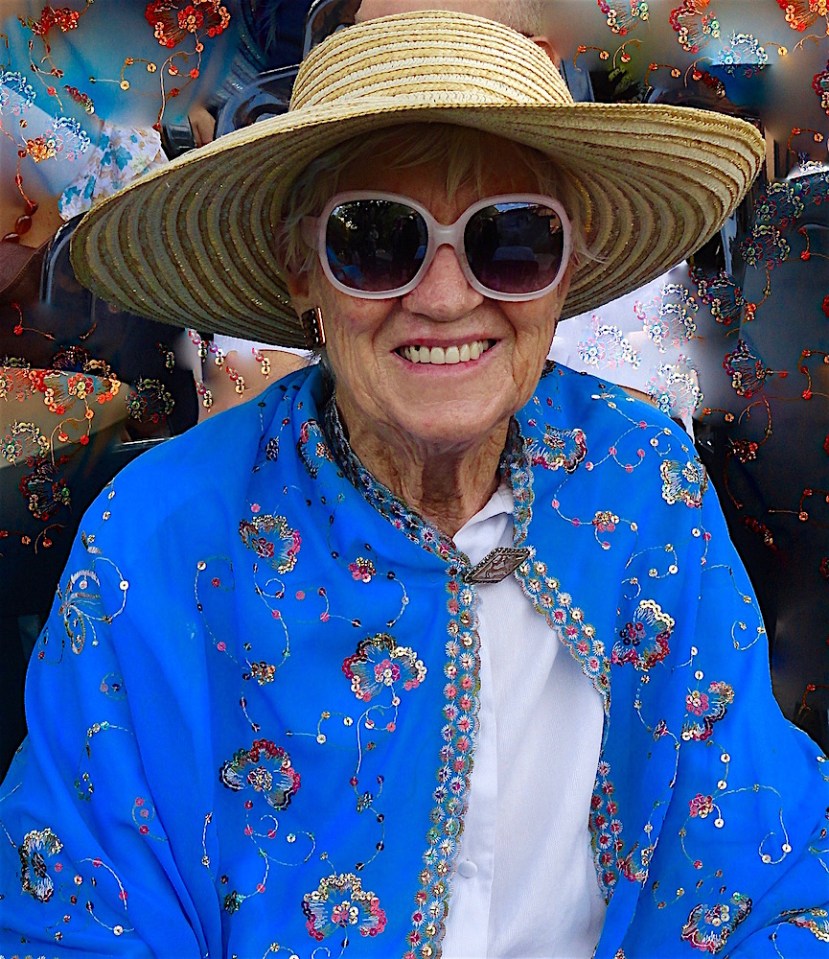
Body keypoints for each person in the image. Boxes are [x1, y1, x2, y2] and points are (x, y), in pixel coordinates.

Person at [1, 9, 827, 958]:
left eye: (510, 239)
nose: (443, 297)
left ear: (568, 268)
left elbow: (767, 862)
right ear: (301, 270)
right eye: (375, 238)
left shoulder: (644, 480)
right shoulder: (156, 543)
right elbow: (73, 917)